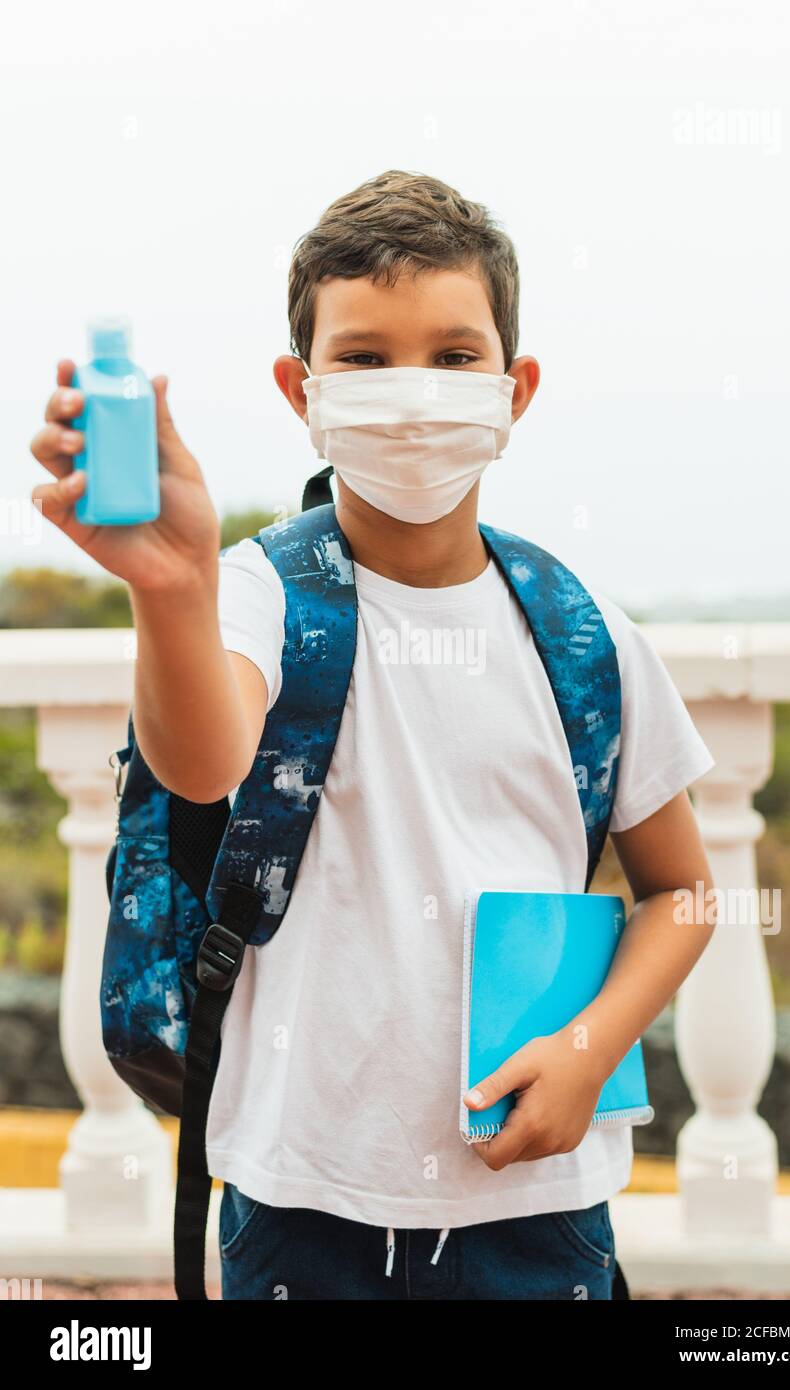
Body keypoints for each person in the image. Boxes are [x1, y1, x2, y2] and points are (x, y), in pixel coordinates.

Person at [30, 169, 716, 1301]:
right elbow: (205, 765)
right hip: (302, 1208)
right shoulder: (252, 594)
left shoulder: (582, 631)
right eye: (364, 357)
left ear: (516, 386)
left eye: (453, 357)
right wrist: (171, 585)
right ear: (301, 388)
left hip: (539, 1217)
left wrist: (592, 1048)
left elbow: (685, 892)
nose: (411, 393)